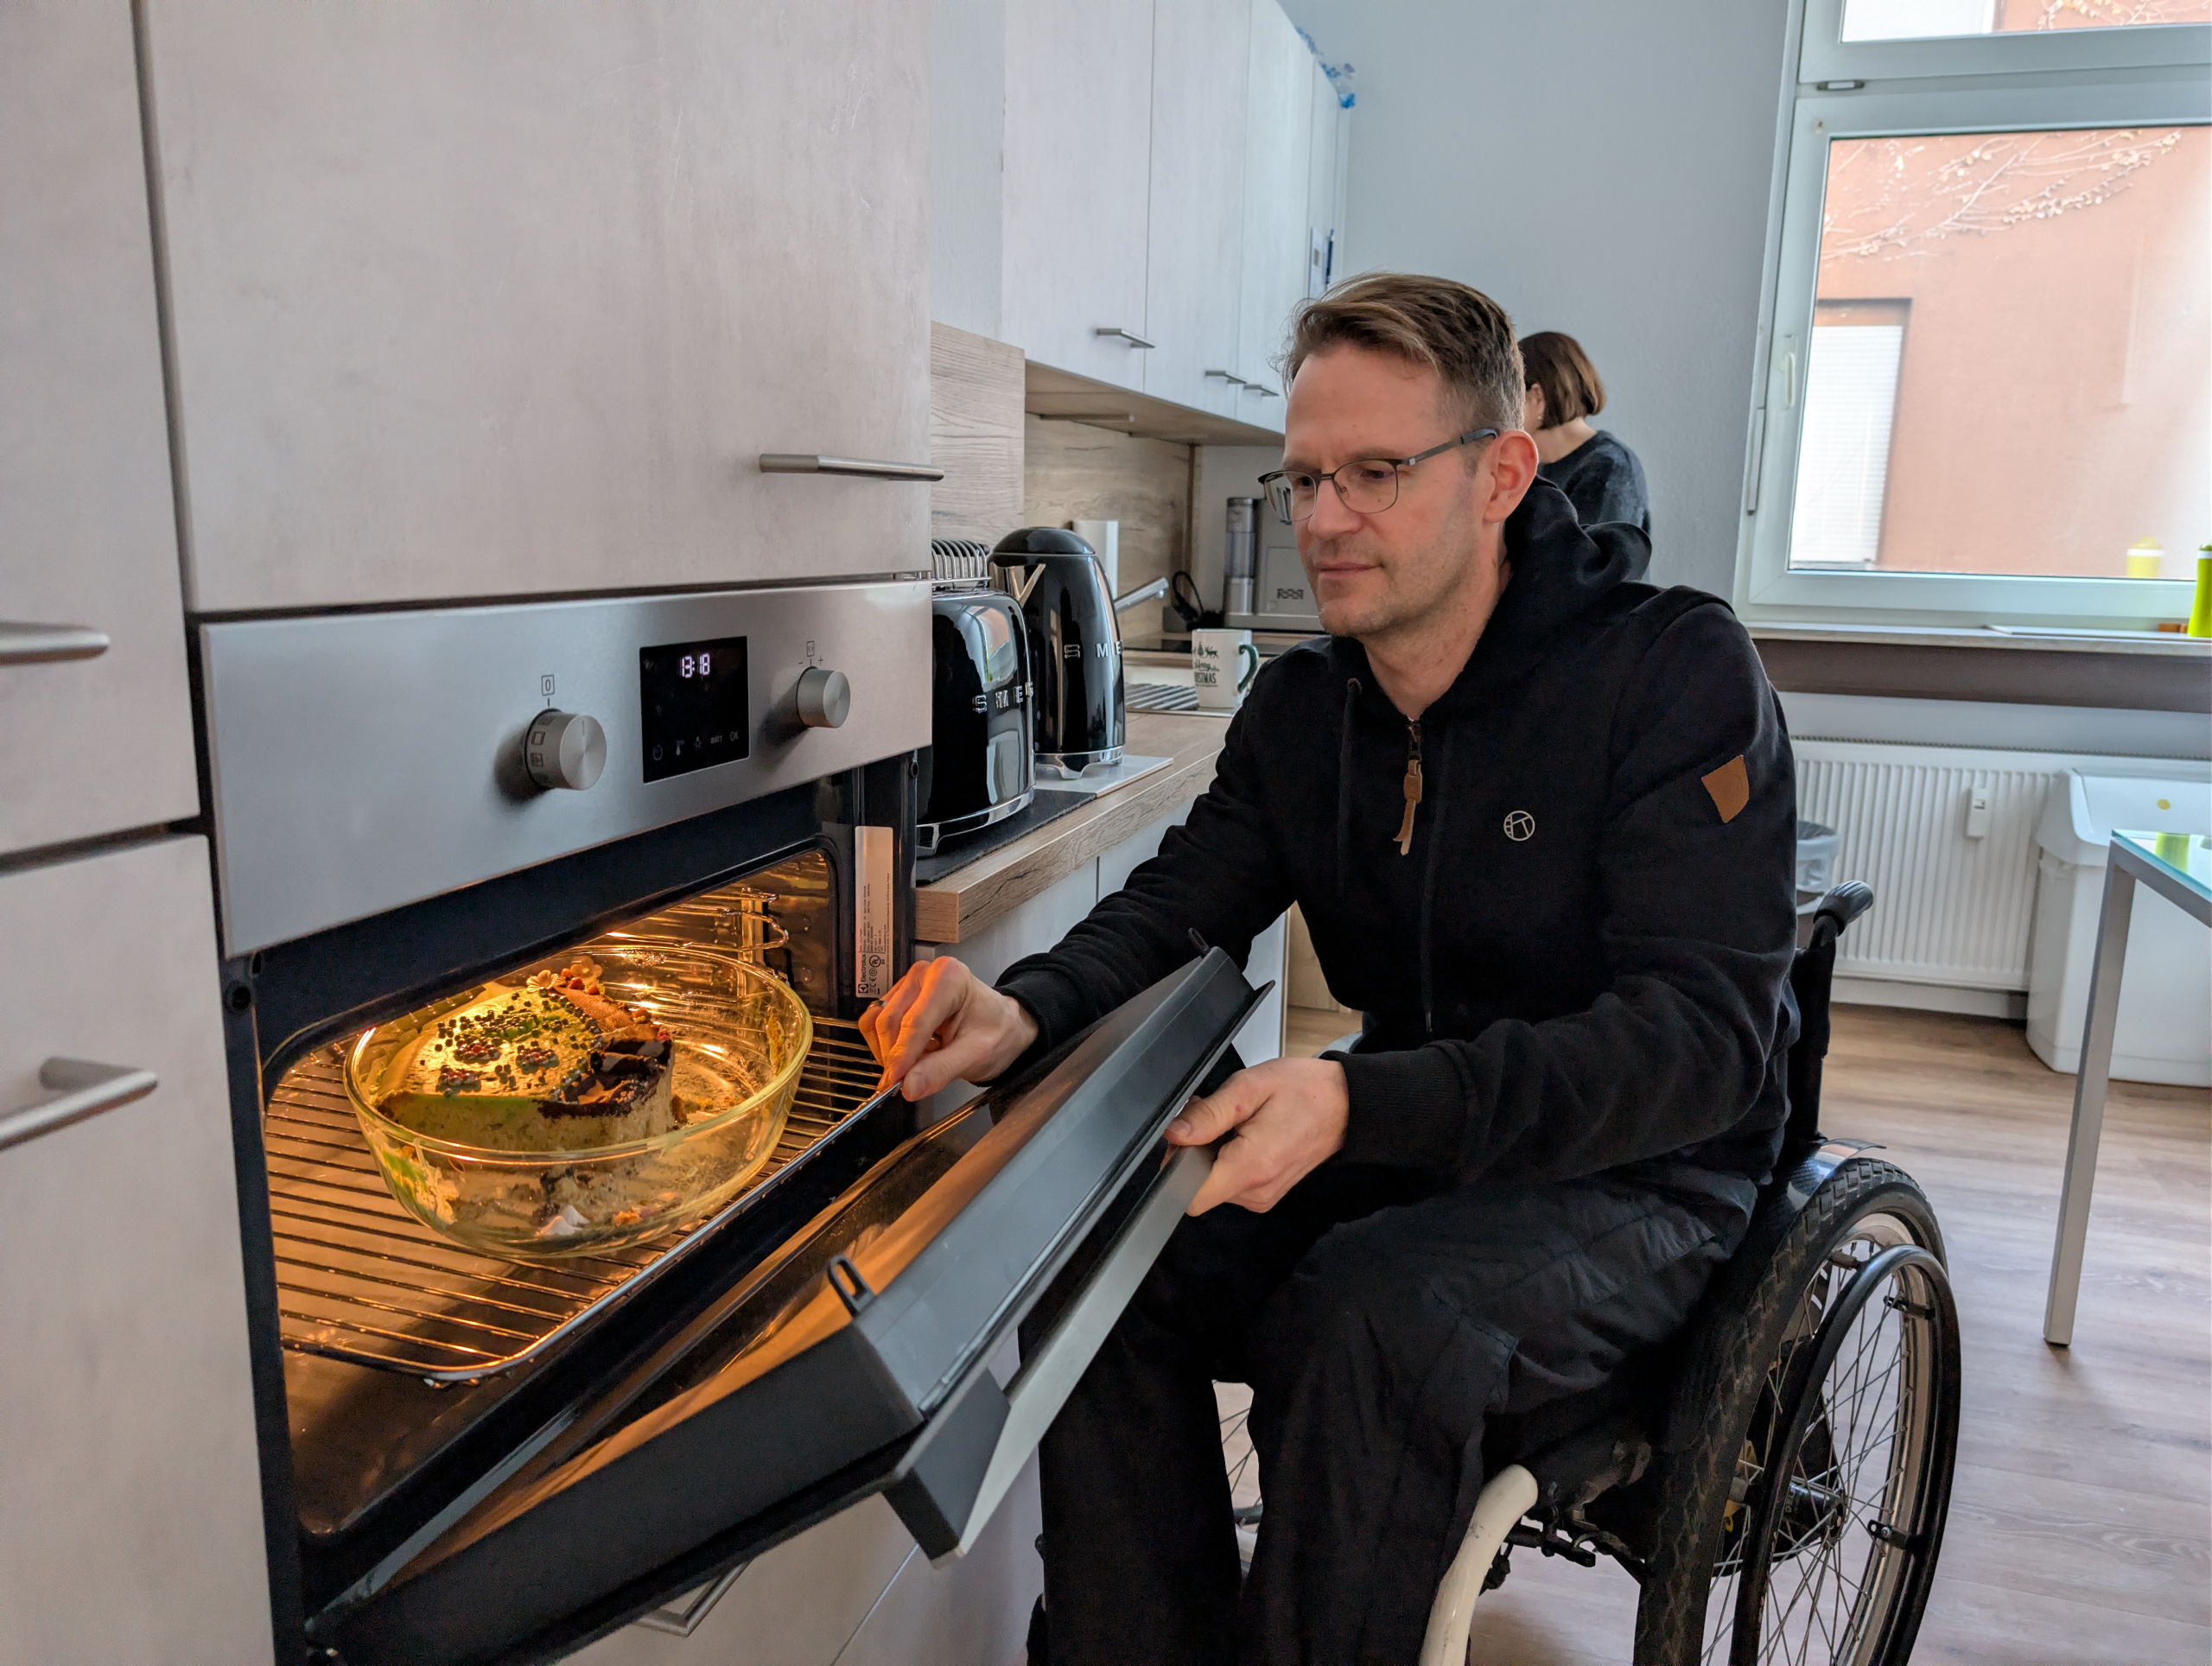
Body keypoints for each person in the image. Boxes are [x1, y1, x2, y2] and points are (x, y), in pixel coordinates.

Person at [861, 273, 1798, 1666]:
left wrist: (1358, 1104)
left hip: (1644, 1174)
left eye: (1377, 473)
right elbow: (1183, 905)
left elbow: (1701, 1046)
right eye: (1305, 478)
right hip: (1417, 1131)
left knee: (1370, 1324)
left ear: (1502, 475)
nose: (1325, 518)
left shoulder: (1672, 675)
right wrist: (1026, 1007)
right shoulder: (1309, 708)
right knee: (1106, 1254)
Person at [1520, 329, 1651, 557]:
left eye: (1510, 394)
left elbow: (1589, 568)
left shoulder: (1610, 467)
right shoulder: (1534, 468)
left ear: (1537, 397)